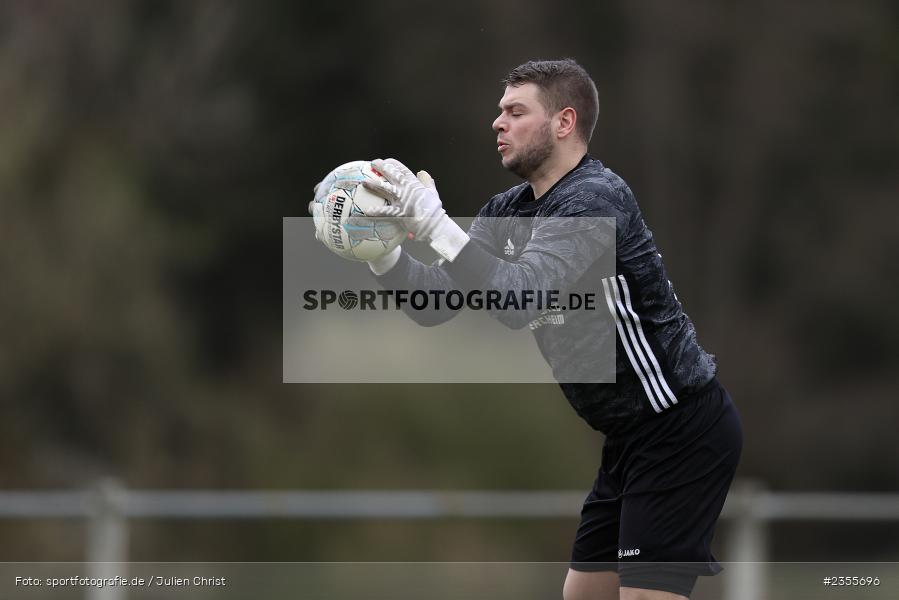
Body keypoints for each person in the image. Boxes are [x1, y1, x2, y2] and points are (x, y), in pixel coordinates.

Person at [325, 58, 743, 600]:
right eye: (499, 111)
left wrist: (435, 225)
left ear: (564, 122)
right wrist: (375, 251)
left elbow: (520, 299)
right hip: (627, 438)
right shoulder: (512, 210)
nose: (498, 123)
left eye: (515, 111)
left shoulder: (595, 197)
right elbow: (434, 303)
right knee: (583, 596)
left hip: (679, 429)